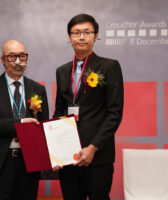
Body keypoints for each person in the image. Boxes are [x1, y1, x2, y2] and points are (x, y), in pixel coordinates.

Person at [53, 14, 124, 200]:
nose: (81, 37)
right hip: (68, 156)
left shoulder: (109, 66)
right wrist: (56, 152)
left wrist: (93, 147)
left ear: (96, 36)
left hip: (98, 155)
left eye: (87, 32)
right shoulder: (61, 71)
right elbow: (59, 111)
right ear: (69, 38)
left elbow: (114, 113)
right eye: (76, 33)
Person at [0, 40, 49, 200]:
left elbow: (43, 126)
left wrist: (52, 155)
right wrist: (21, 123)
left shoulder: (38, 89)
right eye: (12, 57)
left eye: (22, 56)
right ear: (3, 60)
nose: (18, 61)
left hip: (29, 164)